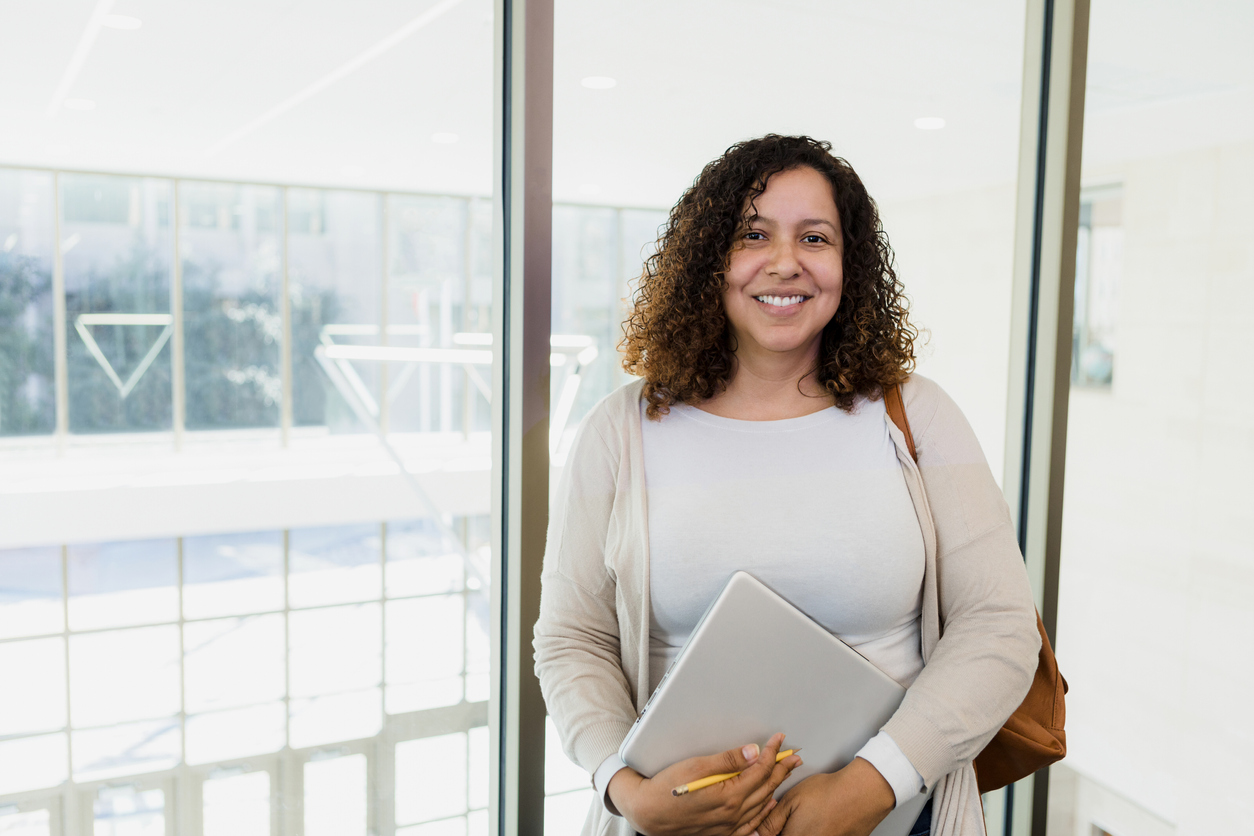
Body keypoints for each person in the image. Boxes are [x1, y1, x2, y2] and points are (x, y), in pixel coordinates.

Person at [533, 135, 1040, 836]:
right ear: (711, 257)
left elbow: (1000, 626)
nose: (785, 262)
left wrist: (868, 788)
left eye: (815, 237)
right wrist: (623, 788)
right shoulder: (620, 431)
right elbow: (571, 639)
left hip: (892, 819)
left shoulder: (916, 415)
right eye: (753, 234)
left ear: (847, 263)